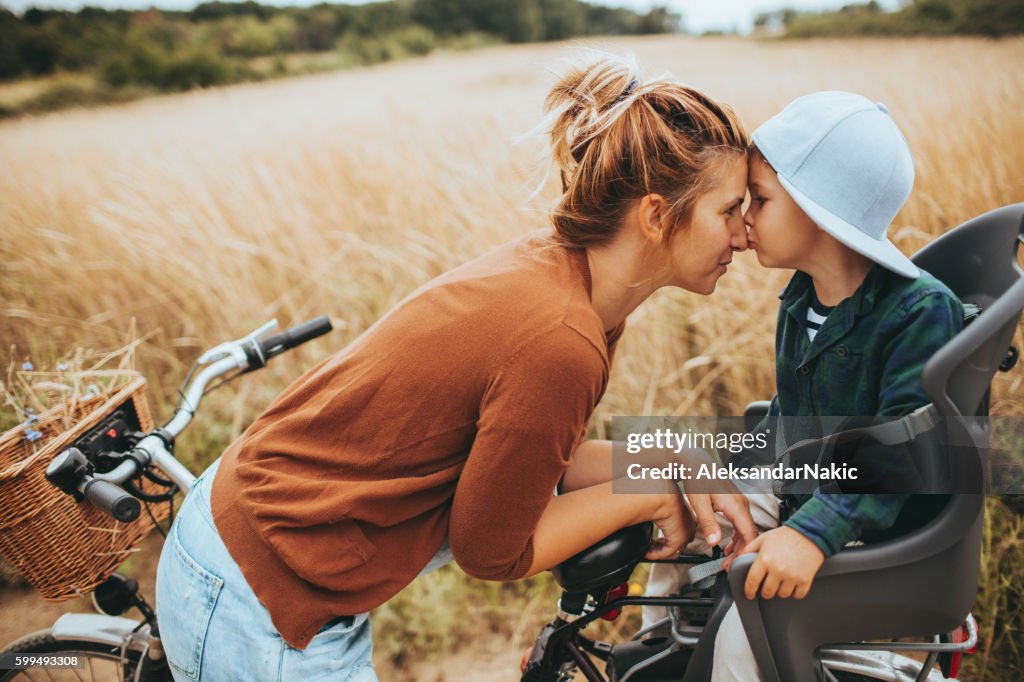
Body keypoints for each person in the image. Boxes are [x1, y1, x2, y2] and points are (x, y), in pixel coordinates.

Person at [154, 52, 760, 682]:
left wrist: (674, 458)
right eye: (727, 211)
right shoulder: (560, 337)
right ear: (657, 215)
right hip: (263, 594)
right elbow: (493, 550)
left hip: (253, 540)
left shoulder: (569, 284)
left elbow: (533, 461)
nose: (743, 236)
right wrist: (645, 497)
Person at [642, 91, 964, 681]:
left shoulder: (918, 313)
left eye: (758, 201)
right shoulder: (801, 300)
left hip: (873, 523)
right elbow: (791, 419)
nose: (743, 222)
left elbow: (903, 451)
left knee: (750, 637)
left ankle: (722, 661)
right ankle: (660, 654)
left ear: (820, 210)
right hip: (808, 484)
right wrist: (733, 472)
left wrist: (813, 532)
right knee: (693, 513)